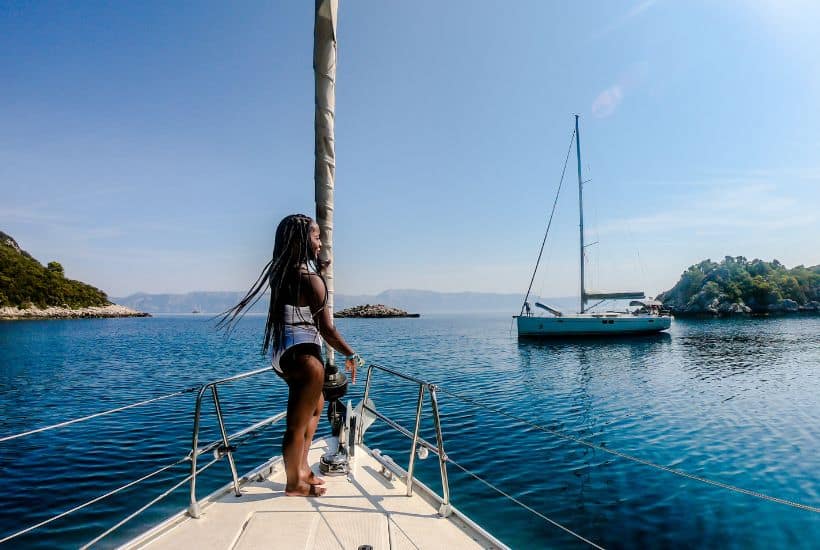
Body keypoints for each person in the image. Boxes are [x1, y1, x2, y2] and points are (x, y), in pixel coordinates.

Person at [217, 213, 362, 497]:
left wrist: (319, 270)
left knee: (317, 407)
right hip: (305, 360)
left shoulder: (281, 273)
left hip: (283, 354)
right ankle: (294, 483)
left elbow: (302, 294)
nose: (321, 243)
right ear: (301, 241)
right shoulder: (309, 280)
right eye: (316, 237)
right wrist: (352, 354)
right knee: (296, 425)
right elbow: (328, 330)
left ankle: (302, 468)